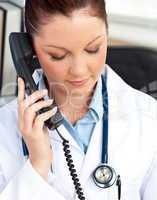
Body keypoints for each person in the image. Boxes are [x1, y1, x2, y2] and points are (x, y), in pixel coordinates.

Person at [0, 0, 157, 199]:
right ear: (28, 50)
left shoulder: (150, 119)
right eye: (58, 55)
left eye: (93, 49)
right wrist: (37, 167)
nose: (79, 70)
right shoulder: (4, 129)